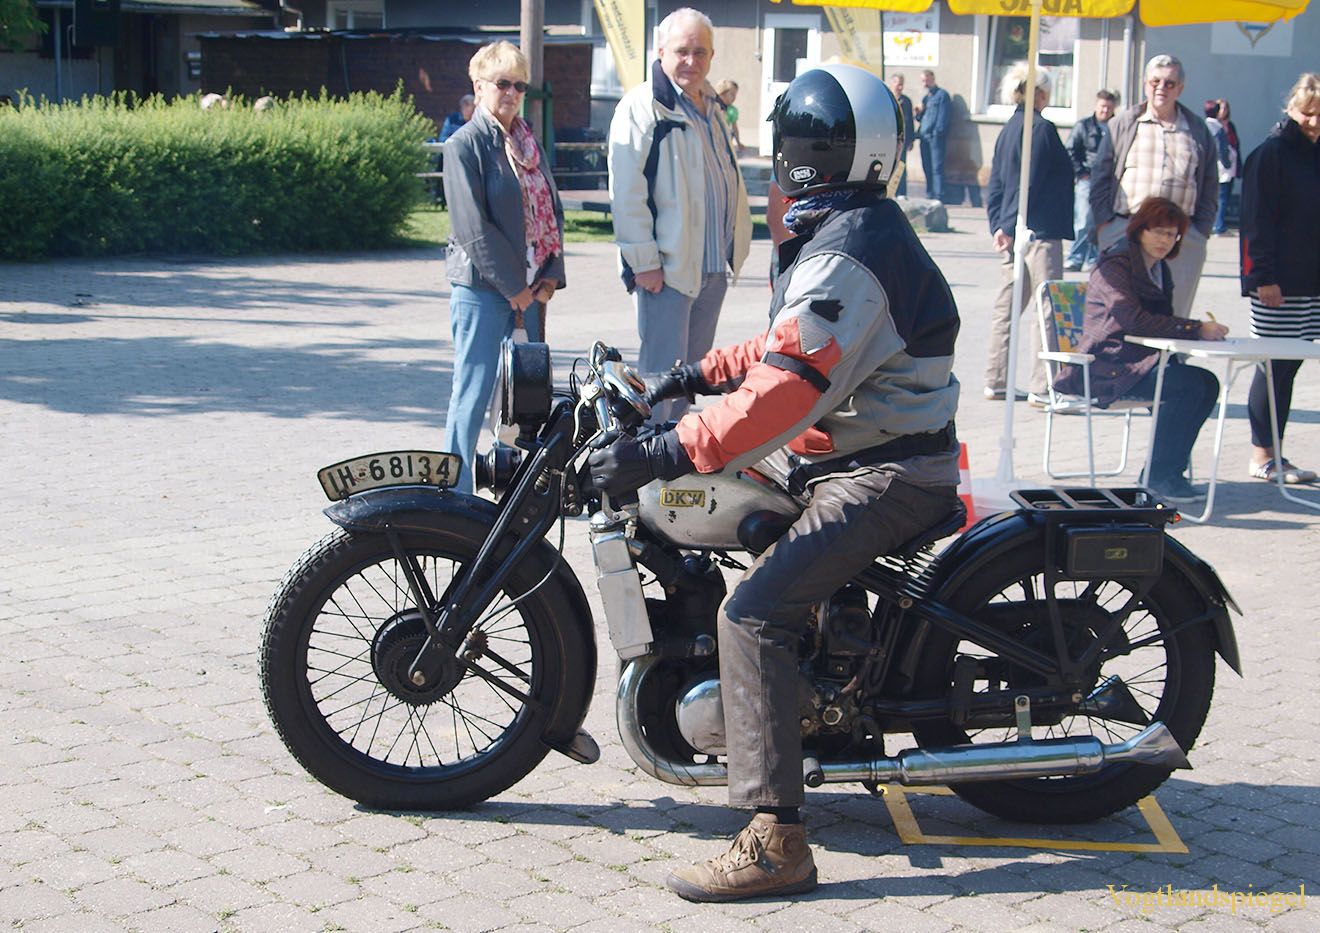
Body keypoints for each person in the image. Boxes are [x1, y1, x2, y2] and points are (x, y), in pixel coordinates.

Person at [589, 63, 961, 903]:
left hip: (884, 473)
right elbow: (778, 345)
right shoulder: (853, 230)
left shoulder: (850, 254)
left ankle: (776, 841)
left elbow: (786, 389)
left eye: (784, 142)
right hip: (856, 456)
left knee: (752, 615)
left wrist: (667, 450)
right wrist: (687, 376)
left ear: (804, 154)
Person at [608, 7, 752, 423]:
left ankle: (678, 457)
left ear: (712, 56)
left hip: (712, 268)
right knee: (658, 383)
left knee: (690, 381)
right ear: (660, 51)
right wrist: (643, 262)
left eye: (700, 52)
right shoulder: (643, 106)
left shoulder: (712, 106)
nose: (691, 60)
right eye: (682, 51)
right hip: (667, 272)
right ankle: (647, 458)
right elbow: (626, 192)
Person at [441, 41, 565, 494]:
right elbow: (473, 228)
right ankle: (455, 494)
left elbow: (552, 211)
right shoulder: (464, 145)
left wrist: (551, 275)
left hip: (531, 291)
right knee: (472, 395)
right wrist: (515, 288)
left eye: (519, 85)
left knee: (521, 397)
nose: (511, 92)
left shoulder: (529, 144)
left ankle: (511, 490)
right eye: (502, 83)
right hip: (482, 290)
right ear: (478, 87)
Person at [1055, 198, 1228, 503]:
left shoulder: (1158, 268)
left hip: (1139, 361)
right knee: (1187, 386)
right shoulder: (1115, 265)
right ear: (1140, 230)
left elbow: (1158, 321)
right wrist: (1194, 328)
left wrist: (1193, 332)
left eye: (1172, 234)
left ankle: (1169, 472)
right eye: (1158, 232)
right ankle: (1158, 476)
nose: (1165, 241)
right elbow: (1132, 319)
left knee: (1206, 383)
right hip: (1104, 366)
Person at [1091, 54, 1218, 320]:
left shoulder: (1197, 129)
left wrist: (1201, 230)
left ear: (1180, 88)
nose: (1162, 88)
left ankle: (1171, 352)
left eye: (1170, 83)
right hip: (1125, 230)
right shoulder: (1124, 124)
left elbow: (1209, 183)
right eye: (1155, 81)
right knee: (1120, 314)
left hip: (1181, 236)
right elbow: (1100, 175)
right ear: (1145, 84)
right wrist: (1105, 223)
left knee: (1175, 317)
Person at [1239, 73, 1320, 485]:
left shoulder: (1314, 154)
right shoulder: (1270, 154)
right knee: (1272, 366)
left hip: (1310, 282)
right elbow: (1255, 222)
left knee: (1289, 367)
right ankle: (1262, 455)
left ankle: (1275, 454)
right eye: (1308, 113)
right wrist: (1262, 277)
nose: (1314, 122)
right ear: (1292, 109)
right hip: (1277, 285)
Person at [983, 63, 1073, 403]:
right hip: (1039, 232)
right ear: (1042, 93)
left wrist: (998, 225)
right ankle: (1044, 384)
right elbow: (1030, 181)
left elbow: (995, 183)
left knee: (1006, 309)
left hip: (1012, 230)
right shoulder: (1041, 128)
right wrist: (1007, 225)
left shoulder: (1008, 128)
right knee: (1046, 308)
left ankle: (996, 379)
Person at [1065, 89, 1118, 272]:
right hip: (1087, 179)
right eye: (1102, 106)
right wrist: (1080, 173)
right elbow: (1070, 150)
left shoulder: (1117, 127)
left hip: (1108, 181)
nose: (1105, 110)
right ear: (1096, 106)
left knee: (1101, 221)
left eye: (1109, 107)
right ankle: (1075, 257)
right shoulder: (1083, 126)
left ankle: (1093, 258)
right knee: (1082, 220)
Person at [1204, 99, 1239, 236]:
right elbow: (1221, 149)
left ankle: (1214, 224)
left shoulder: (1204, 125)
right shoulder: (1217, 128)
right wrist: (1227, 164)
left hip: (1214, 166)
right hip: (1222, 168)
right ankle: (1219, 226)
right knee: (1222, 197)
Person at [915, 69, 950, 201]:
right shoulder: (926, 98)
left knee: (937, 168)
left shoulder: (942, 95)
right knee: (927, 167)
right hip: (923, 137)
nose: (924, 83)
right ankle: (930, 193)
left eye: (926, 80)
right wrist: (918, 112)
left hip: (935, 138)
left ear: (932, 78)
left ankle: (938, 195)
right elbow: (920, 119)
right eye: (922, 81)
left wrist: (937, 133)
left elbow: (943, 117)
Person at [887, 72, 915, 197]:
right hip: (889, 139)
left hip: (901, 140)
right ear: (892, 83)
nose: (900, 87)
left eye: (902, 84)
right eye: (898, 84)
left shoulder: (906, 101)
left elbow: (910, 122)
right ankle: (888, 192)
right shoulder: (887, 99)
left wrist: (911, 140)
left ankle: (901, 193)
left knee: (901, 166)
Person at [715, 78, 742, 150]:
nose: (734, 98)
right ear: (722, 93)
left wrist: (738, 143)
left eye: (735, 95)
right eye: (732, 95)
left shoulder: (732, 110)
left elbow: (734, 128)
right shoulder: (713, 105)